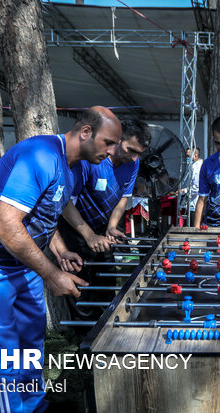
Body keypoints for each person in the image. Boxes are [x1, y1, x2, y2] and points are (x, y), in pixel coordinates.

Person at [0, 106, 122, 413]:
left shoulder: (72, 166)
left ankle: (35, 406)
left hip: (17, 260)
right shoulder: (40, 155)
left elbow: (47, 212)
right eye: (109, 142)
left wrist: (61, 250)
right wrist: (52, 275)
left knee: (30, 337)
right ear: (86, 132)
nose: (112, 151)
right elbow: (5, 224)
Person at [56, 119, 151, 322]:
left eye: (138, 153)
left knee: (106, 282)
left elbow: (124, 197)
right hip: (76, 228)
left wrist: (111, 227)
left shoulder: (133, 164)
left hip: (101, 229)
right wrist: (89, 236)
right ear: (117, 140)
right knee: (81, 282)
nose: (134, 157)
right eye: (130, 150)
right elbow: (66, 203)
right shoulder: (91, 161)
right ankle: (84, 339)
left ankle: (105, 327)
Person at [181, 147, 203, 224]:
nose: (187, 158)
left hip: (195, 203)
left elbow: (196, 187)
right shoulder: (192, 166)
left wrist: (184, 190)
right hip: (190, 203)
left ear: (195, 156)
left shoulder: (198, 167)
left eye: (188, 156)